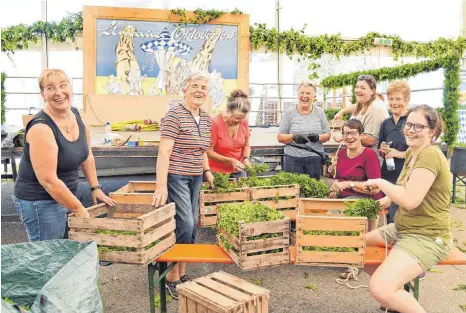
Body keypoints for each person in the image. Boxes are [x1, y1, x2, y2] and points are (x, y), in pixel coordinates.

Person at [363, 105, 452, 313]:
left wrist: (380, 182)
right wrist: (386, 200)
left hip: (426, 236)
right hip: (402, 229)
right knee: (357, 248)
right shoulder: (413, 153)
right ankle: (399, 290)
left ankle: (395, 290)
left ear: (432, 131)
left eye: (418, 126)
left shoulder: (430, 155)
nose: (411, 130)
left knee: (380, 288)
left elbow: (410, 199)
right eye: (408, 124)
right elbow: (405, 188)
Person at [13, 68, 115, 242]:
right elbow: (48, 181)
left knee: (62, 255)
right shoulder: (41, 128)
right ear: (43, 94)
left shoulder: (75, 114)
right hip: (40, 201)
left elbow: (86, 154)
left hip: (65, 194)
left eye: (63, 85)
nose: (58, 93)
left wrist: (95, 187)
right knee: (47, 259)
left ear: (70, 88)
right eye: (50, 88)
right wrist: (78, 208)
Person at [152, 73, 214, 299]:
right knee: (184, 223)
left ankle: (181, 272)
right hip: (177, 176)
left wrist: (207, 171)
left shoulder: (206, 118)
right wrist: (161, 185)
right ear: (185, 90)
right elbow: (164, 151)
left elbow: (202, 149)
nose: (200, 90)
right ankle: (170, 277)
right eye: (195, 86)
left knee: (192, 224)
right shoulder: (174, 115)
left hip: (196, 176)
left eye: (204, 87)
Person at [277, 82, 331, 179]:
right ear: (298, 95)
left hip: (314, 157)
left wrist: (318, 137)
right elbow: (280, 137)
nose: (304, 96)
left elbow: (327, 135)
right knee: (293, 190)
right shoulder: (289, 113)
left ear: (314, 96)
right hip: (293, 158)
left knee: (313, 190)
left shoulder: (320, 112)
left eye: (308, 93)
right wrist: (293, 137)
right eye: (302, 93)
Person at [333, 75, 389, 162]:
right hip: (360, 157)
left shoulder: (376, 108)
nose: (358, 90)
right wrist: (342, 112)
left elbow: (371, 140)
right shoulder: (365, 103)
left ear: (372, 91)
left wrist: (343, 136)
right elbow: (354, 107)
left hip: (371, 161)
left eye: (363, 88)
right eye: (357, 87)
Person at [378, 81, 410, 224]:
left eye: (398, 99)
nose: (394, 103)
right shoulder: (386, 123)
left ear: (407, 99)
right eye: (391, 99)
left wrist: (399, 154)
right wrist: (383, 150)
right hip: (388, 173)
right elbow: (380, 148)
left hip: (406, 174)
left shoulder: (412, 121)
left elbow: (420, 151)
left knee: (402, 213)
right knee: (388, 212)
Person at [329, 119, 383, 200]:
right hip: (341, 198)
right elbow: (339, 179)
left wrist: (349, 184)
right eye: (346, 133)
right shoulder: (341, 153)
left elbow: (375, 188)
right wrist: (334, 190)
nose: (349, 137)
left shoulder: (369, 155)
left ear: (361, 135)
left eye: (353, 133)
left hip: (363, 200)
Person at [207, 89, 251, 178]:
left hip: (238, 170)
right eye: (237, 118)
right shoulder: (215, 123)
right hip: (216, 173)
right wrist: (231, 161)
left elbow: (246, 145)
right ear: (228, 111)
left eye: (243, 118)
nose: (240, 121)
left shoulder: (244, 122)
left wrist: (246, 158)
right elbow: (208, 152)